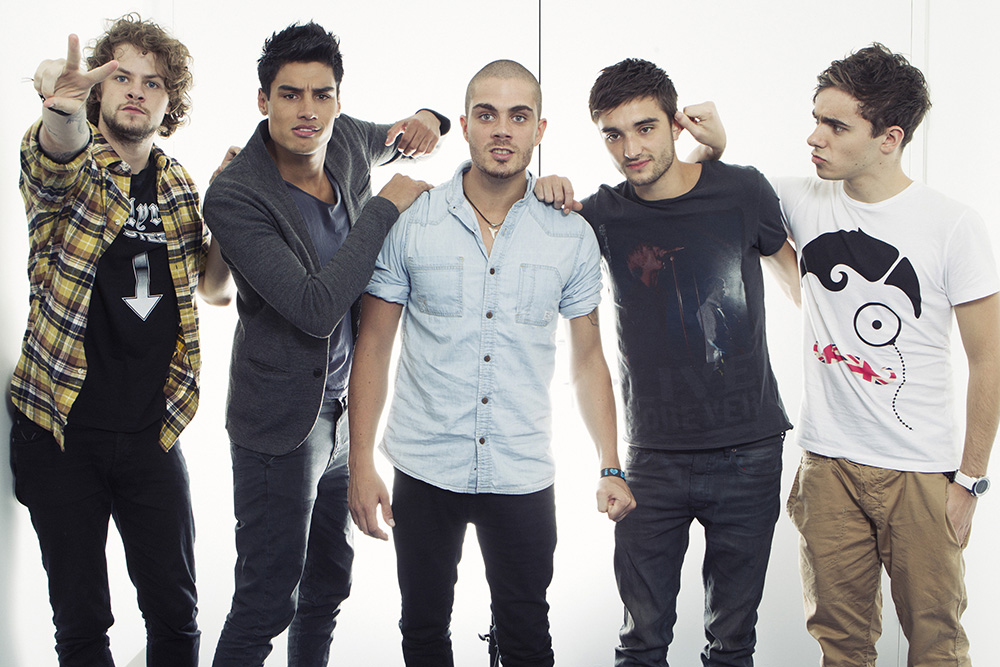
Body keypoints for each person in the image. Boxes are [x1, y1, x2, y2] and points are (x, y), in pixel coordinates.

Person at [347, 59, 635, 667]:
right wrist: (361, 461)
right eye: (487, 115)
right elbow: (373, 344)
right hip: (426, 465)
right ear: (466, 125)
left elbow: (587, 359)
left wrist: (611, 464)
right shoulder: (412, 221)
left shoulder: (571, 235)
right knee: (423, 631)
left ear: (539, 130)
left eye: (518, 116)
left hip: (522, 470)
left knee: (528, 634)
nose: (502, 129)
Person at [202, 22, 446, 667]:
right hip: (279, 425)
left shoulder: (343, 143)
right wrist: (383, 210)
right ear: (263, 100)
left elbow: (400, 136)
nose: (306, 112)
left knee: (327, 586)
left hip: (342, 414)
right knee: (266, 598)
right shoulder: (234, 197)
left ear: (338, 99)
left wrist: (431, 116)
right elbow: (313, 308)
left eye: (322, 95)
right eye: (289, 95)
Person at [11, 14, 233, 667]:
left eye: (153, 82)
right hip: (60, 431)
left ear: (170, 103)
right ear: (100, 91)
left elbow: (213, 288)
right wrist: (61, 108)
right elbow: (52, 157)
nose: (136, 90)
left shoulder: (177, 184)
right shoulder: (73, 163)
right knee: (83, 625)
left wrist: (226, 213)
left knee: (177, 614)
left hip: (148, 434)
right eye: (122, 77)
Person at [558, 58, 794, 667]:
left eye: (645, 128)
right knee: (641, 643)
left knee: (733, 644)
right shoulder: (603, 215)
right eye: (613, 134)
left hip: (750, 448)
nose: (631, 148)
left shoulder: (743, 190)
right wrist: (547, 188)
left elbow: (800, 278)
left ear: (675, 122)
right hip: (652, 458)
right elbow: (545, 240)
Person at [772, 44, 999, 667]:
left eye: (837, 125)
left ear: (889, 138)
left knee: (937, 646)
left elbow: (990, 360)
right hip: (828, 469)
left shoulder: (952, 225)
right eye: (817, 117)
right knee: (841, 648)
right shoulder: (800, 198)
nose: (814, 137)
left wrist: (969, 482)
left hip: (922, 474)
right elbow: (730, 205)